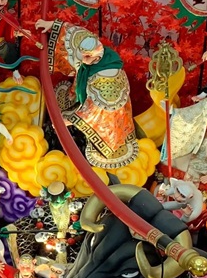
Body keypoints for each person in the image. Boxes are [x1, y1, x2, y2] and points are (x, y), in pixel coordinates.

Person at [34, 18, 136, 169]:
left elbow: (97, 110)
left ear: (95, 57)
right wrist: (52, 25)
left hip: (106, 118)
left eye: (86, 57)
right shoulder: (89, 43)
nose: (80, 59)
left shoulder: (109, 77)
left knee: (86, 139)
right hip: (84, 99)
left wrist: (69, 121)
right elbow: (73, 34)